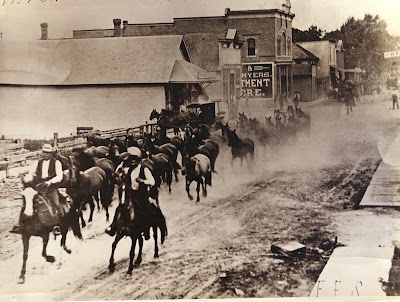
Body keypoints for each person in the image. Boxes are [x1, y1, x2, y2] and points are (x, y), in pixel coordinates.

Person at [10, 144, 64, 234]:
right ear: (42, 153)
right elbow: (31, 173)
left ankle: (57, 225)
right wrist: (27, 178)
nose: (45, 155)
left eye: (48, 153)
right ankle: (20, 224)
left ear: (51, 154)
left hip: (50, 187)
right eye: (44, 152)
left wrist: (49, 182)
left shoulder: (56, 163)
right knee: (26, 202)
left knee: (56, 204)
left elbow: (59, 176)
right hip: (38, 186)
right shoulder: (38, 162)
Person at [105, 147, 155, 240]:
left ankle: (146, 229)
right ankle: (113, 226)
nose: (132, 163)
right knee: (120, 207)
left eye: (134, 161)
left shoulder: (144, 169)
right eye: (130, 161)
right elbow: (120, 171)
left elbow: (152, 182)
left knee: (144, 210)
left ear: (138, 161)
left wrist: (142, 181)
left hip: (141, 195)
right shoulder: (130, 170)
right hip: (131, 194)